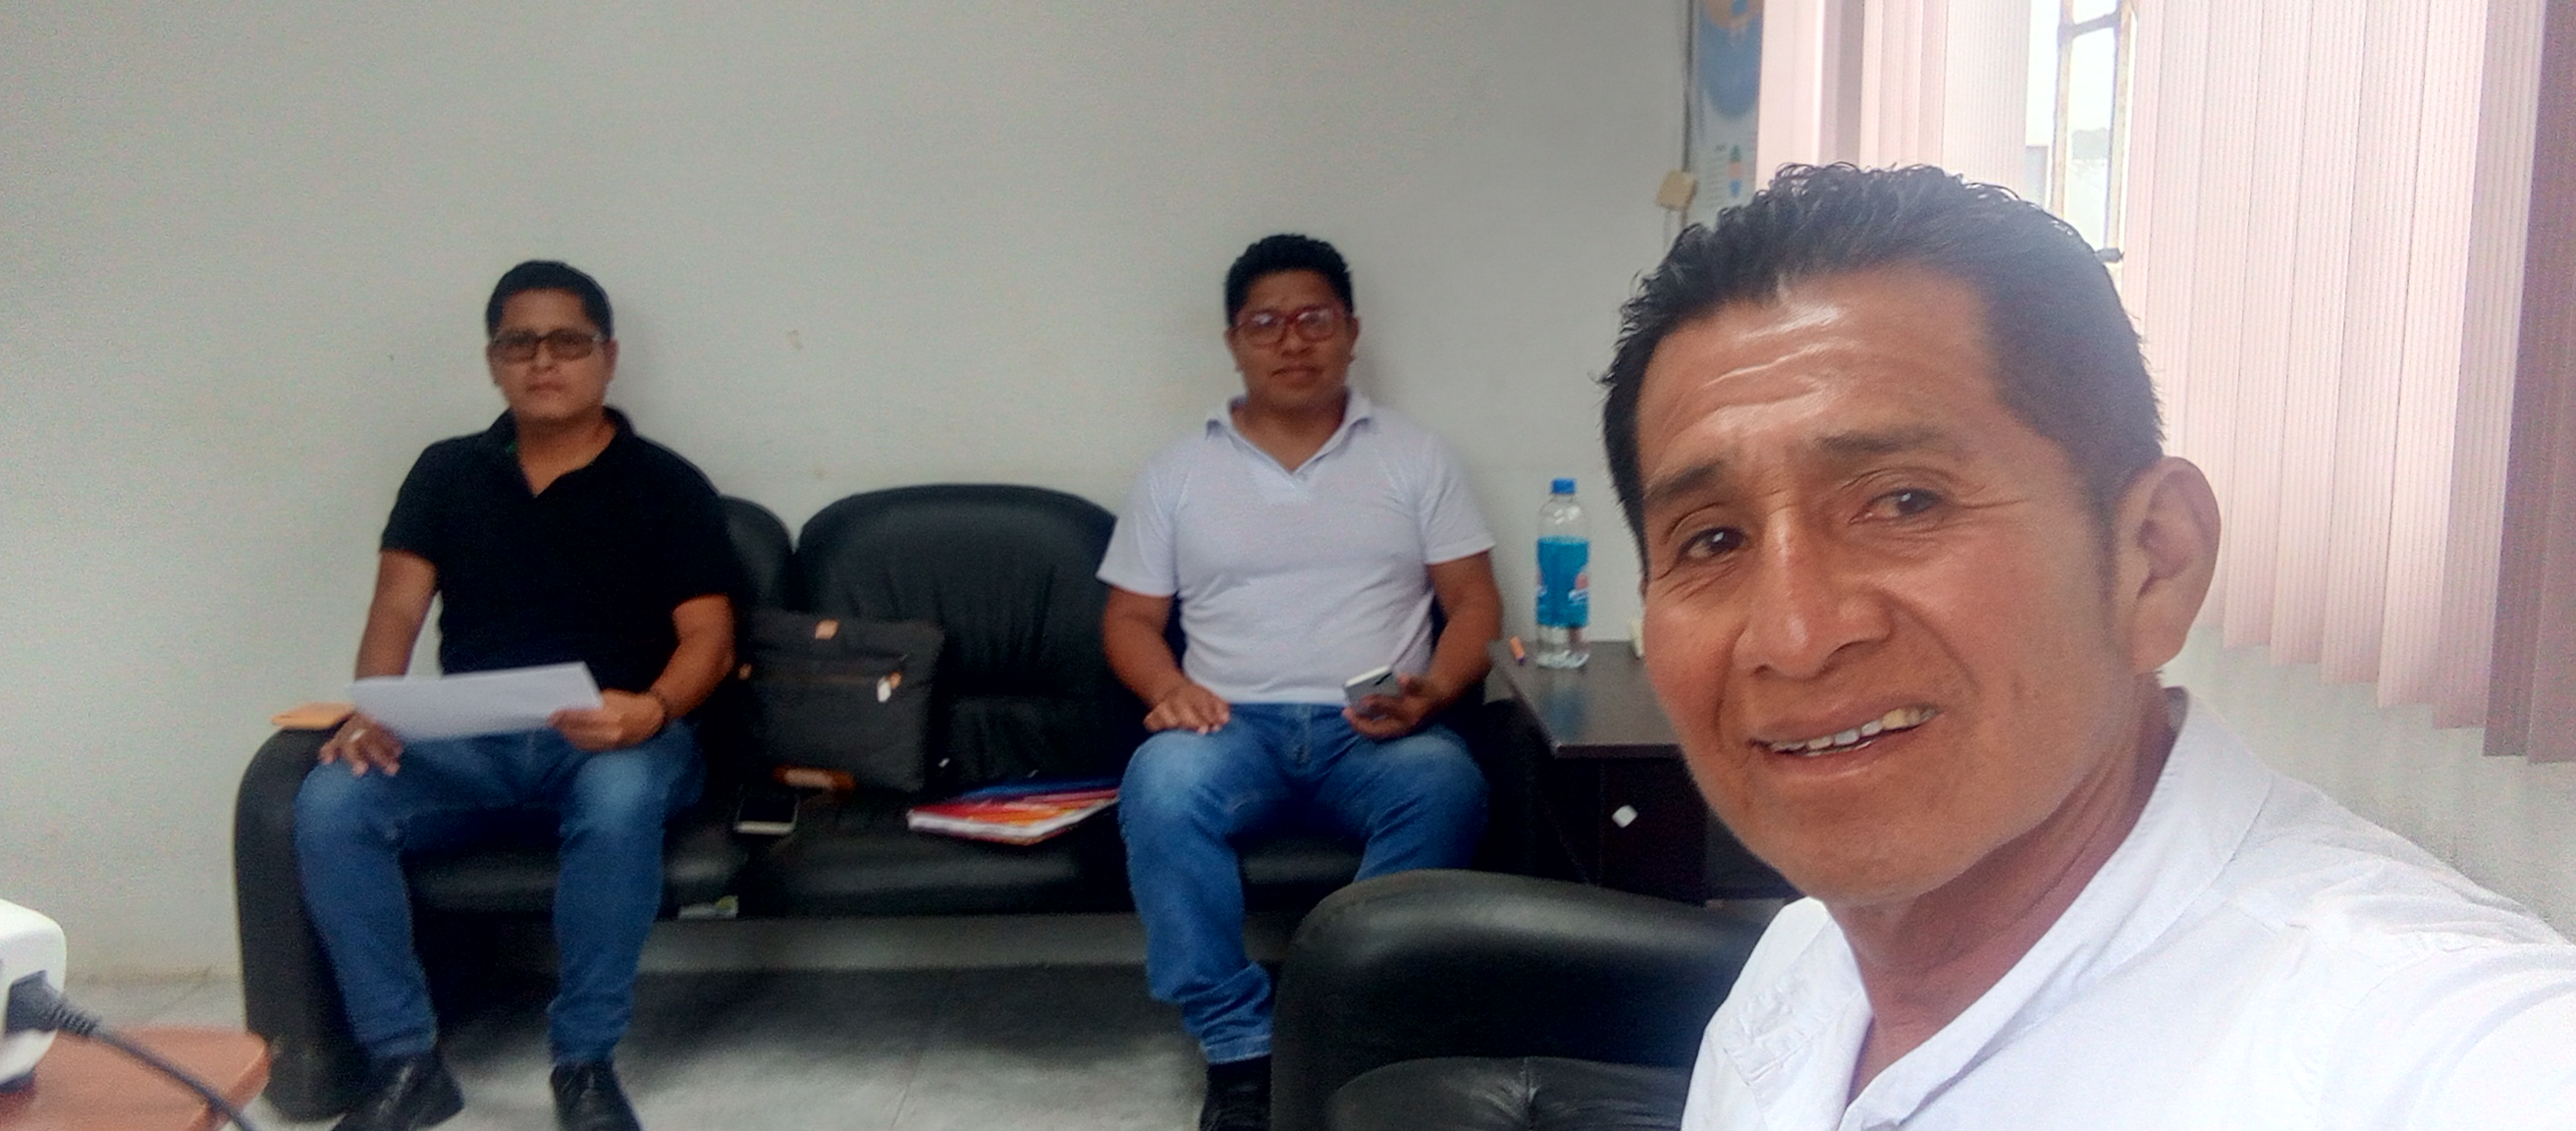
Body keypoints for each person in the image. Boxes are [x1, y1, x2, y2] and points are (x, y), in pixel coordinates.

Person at [1594, 164, 2576, 1128]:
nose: (1794, 637)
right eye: (1711, 541)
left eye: (1905, 501)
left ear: (2153, 561)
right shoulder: (1798, 964)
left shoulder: (2432, 1045)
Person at [295, 261, 740, 1131]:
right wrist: (373, 706)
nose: (543, 361)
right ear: (493, 361)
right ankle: (404, 1061)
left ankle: (584, 1064)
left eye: (567, 341)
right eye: (519, 343)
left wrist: (651, 710)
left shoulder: (666, 483)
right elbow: (397, 606)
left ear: (607, 357)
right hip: (477, 739)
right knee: (330, 802)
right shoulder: (446, 473)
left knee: (617, 800)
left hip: (619, 735)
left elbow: (709, 640)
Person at [1100, 234, 1501, 1131]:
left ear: (1350, 331)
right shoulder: (1178, 471)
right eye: (1266, 323)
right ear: (1234, 341)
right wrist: (1167, 688)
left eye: (1314, 319)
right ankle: (1240, 1049)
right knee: (1160, 785)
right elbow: (1127, 619)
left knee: (1446, 783)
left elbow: (1475, 603)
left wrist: (1434, 691)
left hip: (1375, 728)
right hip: (1228, 727)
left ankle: (1348, 1015)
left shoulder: (1415, 456)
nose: (1292, 341)